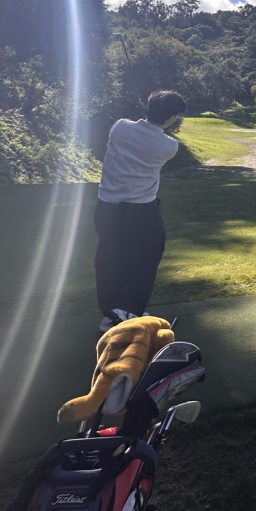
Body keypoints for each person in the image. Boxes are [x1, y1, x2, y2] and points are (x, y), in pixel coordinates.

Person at [95, 89, 186, 332]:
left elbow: (136, 130)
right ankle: (132, 312)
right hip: (141, 212)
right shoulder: (169, 146)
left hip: (106, 208)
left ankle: (111, 314)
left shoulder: (120, 126)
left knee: (108, 259)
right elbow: (154, 135)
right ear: (171, 118)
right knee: (144, 262)